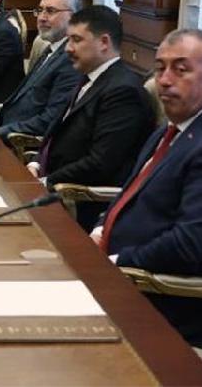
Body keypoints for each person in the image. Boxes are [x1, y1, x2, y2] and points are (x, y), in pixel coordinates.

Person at [91, 29, 202, 347]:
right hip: (116, 277)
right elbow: (129, 193)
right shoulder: (167, 132)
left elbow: (190, 243)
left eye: (181, 70)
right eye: (159, 68)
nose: (164, 80)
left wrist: (119, 261)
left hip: (158, 307)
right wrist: (101, 228)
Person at [28, 5, 153, 228]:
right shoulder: (88, 77)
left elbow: (100, 163)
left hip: (80, 206)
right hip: (51, 189)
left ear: (104, 42)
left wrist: (47, 181)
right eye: (68, 40)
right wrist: (36, 163)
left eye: (76, 40)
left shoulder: (123, 91)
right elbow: (56, 132)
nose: (68, 48)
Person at [0, 0, 84, 139]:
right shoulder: (51, 48)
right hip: (3, 127)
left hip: (17, 142)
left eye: (50, 11)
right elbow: (22, 98)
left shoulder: (71, 60)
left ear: (73, 17)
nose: (41, 17)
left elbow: (49, 120)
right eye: (40, 10)